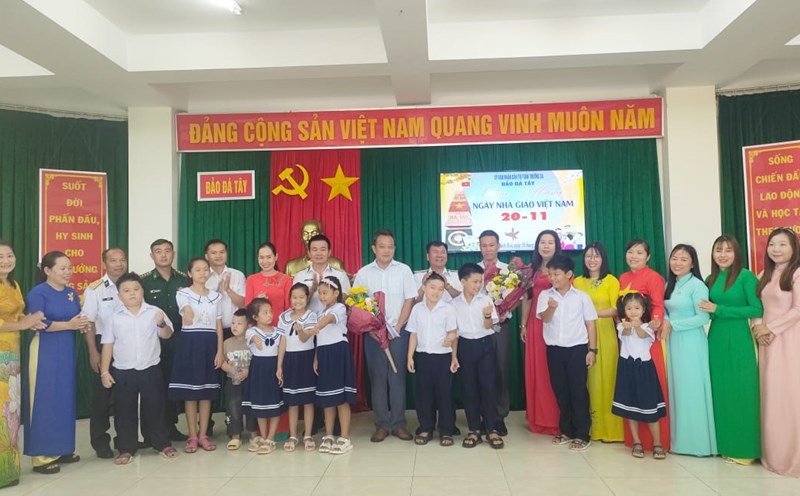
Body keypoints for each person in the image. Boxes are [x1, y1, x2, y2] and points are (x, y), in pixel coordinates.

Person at [99, 272, 178, 464]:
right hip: (123, 371)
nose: (132, 294)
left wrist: (160, 323)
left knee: (156, 408)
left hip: (150, 369)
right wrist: (104, 371)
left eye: (136, 289)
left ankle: (162, 443)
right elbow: (107, 345)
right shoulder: (114, 317)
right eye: (126, 291)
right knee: (124, 410)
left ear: (143, 291)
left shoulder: (154, 312)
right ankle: (126, 448)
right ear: (119, 296)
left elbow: (167, 334)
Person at [24, 251, 88, 474]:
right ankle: (41, 455)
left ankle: (62, 448)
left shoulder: (71, 293)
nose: (68, 272)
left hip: (67, 350)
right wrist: (69, 325)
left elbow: (77, 318)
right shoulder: (38, 293)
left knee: (64, 398)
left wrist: (82, 324)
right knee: (44, 399)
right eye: (62, 268)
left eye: (70, 268)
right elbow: (38, 323)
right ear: (47, 271)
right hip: (45, 352)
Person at [699, 235, 761, 464]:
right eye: (718, 250)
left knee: (743, 391)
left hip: (740, 337)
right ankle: (725, 445)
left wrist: (719, 309)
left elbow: (755, 308)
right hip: (716, 337)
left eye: (728, 250)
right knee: (721, 391)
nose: (722, 254)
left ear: (737, 253)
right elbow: (709, 310)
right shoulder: (710, 278)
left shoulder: (746, 277)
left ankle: (746, 449)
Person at [353, 229, 417, 442]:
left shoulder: (404, 270)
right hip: (373, 335)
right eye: (382, 246)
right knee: (378, 379)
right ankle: (381, 424)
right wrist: (371, 328)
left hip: (398, 333)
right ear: (374, 248)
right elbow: (356, 304)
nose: (386, 250)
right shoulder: (364, 273)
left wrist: (399, 326)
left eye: (390, 246)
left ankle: (398, 423)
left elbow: (410, 300)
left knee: (397, 377)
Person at [536, 254, 597, 451]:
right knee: (561, 391)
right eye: (550, 274)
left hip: (577, 349)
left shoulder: (581, 297)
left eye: (557, 274)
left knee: (578, 391)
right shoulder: (546, 296)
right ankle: (566, 431)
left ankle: (582, 434)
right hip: (554, 350)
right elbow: (544, 319)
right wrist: (551, 308)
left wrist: (592, 350)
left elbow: (590, 324)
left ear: (569, 274)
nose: (552, 278)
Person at [751, 228, 800, 477]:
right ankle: (772, 454)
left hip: (790, 341)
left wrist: (769, 328)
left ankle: (792, 457)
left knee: (789, 397)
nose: (776, 249)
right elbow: (758, 306)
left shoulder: (797, 274)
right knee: (770, 395)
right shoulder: (764, 274)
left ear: (794, 248)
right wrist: (757, 327)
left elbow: (797, 310)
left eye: (782, 245)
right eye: (772, 245)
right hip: (767, 342)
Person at [662, 244, 716, 457]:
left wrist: (673, 325)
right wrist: (667, 321)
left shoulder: (697, 286)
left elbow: (703, 318)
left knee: (691, 389)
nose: (677, 262)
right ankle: (679, 441)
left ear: (693, 263)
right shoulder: (670, 284)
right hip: (673, 341)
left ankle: (698, 444)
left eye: (684, 259)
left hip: (691, 342)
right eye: (675, 258)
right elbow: (665, 310)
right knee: (677, 389)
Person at [618, 239, 670, 452]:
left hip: (648, 340)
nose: (634, 256)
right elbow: (621, 308)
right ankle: (635, 441)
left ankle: (657, 442)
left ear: (648, 257)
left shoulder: (654, 277)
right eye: (630, 252)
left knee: (650, 392)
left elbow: (657, 305)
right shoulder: (623, 277)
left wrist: (653, 324)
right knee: (630, 392)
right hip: (627, 339)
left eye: (639, 252)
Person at [0, 240, 45, 487]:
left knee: (10, 414)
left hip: (11, 358)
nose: (6, 260)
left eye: (9, 255)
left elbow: (16, 315)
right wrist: (23, 324)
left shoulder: (13, 284)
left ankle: (9, 471)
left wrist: (31, 320)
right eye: (0, 257)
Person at [168, 257, 224, 453]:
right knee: (190, 393)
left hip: (210, 343)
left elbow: (218, 324)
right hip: (190, 343)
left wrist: (220, 350)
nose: (202, 273)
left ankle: (203, 435)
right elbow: (186, 310)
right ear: (190, 274)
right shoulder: (183, 293)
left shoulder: (216, 296)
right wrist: (189, 314)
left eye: (205, 269)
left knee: (206, 392)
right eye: (197, 270)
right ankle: (192, 435)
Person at [573, 241, 624, 442]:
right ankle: (591, 427)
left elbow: (616, 309)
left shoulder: (612, 281)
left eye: (596, 256)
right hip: (581, 335)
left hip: (606, 333)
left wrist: (591, 314)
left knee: (608, 377)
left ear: (603, 259)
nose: (592, 260)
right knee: (588, 381)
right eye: (588, 256)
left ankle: (611, 429)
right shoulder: (577, 282)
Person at [141, 239, 190, 441]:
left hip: (178, 339)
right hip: (153, 340)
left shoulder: (183, 280)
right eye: (158, 252)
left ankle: (170, 428)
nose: (163, 255)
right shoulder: (143, 282)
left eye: (167, 251)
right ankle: (150, 432)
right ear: (152, 256)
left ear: (174, 254)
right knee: (152, 387)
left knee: (173, 384)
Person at [82, 247, 127, 459]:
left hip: (127, 344)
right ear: (104, 264)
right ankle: (100, 442)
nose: (119, 264)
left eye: (122, 260)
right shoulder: (95, 289)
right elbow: (89, 322)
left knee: (124, 397)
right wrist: (93, 352)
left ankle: (125, 440)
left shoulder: (133, 285)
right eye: (113, 260)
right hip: (102, 344)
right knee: (102, 397)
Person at [407, 272, 459, 447]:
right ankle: (426, 427)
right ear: (424, 288)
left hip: (443, 358)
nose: (436, 292)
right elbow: (413, 334)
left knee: (445, 394)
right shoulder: (417, 309)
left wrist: (452, 352)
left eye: (440, 289)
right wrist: (410, 357)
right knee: (424, 394)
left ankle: (446, 429)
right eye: (432, 287)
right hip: (422, 357)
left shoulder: (448, 309)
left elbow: (453, 333)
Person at [612, 293, 667, 459]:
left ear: (643, 309)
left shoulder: (648, 327)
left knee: (650, 408)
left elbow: (643, 336)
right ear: (624, 310)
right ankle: (636, 442)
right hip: (626, 368)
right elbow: (625, 335)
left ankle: (657, 443)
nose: (633, 311)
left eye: (637, 308)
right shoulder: (622, 326)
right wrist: (629, 326)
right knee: (629, 408)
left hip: (644, 370)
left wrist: (638, 326)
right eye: (629, 308)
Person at [452, 263, 501, 449]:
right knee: (469, 388)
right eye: (474, 281)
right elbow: (454, 332)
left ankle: (491, 428)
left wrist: (487, 316)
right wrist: (454, 356)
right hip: (465, 346)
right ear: (462, 281)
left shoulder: (485, 300)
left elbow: (490, 327)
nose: (478, 285)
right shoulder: (454, 304)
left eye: (480, 281)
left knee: (488, 387)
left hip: (485, 345)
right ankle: (474, 430)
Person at [519, 230, 562, 436]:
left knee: (553, 371)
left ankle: (555, 419)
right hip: (536, 326)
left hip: (556, 324)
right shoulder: (530, 271)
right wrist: (524, 325)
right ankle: (539, 418)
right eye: (542, 242)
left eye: (550, 242)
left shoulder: (563, 268)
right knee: (538, 371)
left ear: (557, 245)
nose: (546, 246)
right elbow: (527, 298)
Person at [310, 276, 357, 454]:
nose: (322, 297)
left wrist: (316, 327)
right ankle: (328, 435)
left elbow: (329, 320)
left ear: (336, 293)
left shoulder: (340, 308)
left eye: (325, 293)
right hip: (323, 354)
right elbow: (319, 339)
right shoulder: (320, 312)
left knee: (341, 398)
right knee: (327, 398)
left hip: (338, 353)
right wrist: (316, 357)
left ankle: (344, 437)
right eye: (320, 293)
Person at [477, 230, 512, 436]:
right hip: (479, 328)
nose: (488, 249)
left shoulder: (508, 271)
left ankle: (499, 417)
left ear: (498, 246)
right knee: (482, 373)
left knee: (500, 371)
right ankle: (483, 416)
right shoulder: (473, 271)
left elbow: (516, 298)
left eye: (491, 245)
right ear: (479, 247)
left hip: (501, 327)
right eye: (484, 245)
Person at [276, 283, 318, 452]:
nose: (298, 300)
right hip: (289, 361)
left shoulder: (311, 316)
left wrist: (300, 330)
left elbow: (304, 338)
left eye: (301, 297)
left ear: (307, 299)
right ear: (290, 299)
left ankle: (307, 435)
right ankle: (293, 435)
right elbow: (282, 342)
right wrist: (279, 366)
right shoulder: (283, 317)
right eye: (294, 297)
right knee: (292, 402)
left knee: (308, 401)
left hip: (306, 359)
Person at [243, 298, 285, 455]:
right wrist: (255, 339)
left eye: (270, 311)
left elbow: (281, 348)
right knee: (260, 405)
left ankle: (270, 438)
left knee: (274, 404)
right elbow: (251, 338)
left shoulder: (278, 331)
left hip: (273, 368)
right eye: (265, 312)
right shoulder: (251, 331)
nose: (269, 315)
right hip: (258, 370)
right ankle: (262, 434)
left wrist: (279, 367)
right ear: (255, 317)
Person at [220, 309, 253, 451]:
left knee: (252, 406)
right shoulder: (227, 342)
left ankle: (254, 433)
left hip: (250, 381)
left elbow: (259, 360)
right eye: (233, 323)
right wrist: (228, 368)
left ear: (249, 326)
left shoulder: (251, 341)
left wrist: (248, 371)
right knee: (233, 406)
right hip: (233, 381)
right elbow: (221, 361)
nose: (235, 326)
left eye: (239, 323)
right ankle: (235, 435)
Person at [293, 234, 350, 314]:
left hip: (333, 322)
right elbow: (296, 302)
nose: (319, 253)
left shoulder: (340, 275)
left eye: (323, 250)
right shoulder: (300, 276)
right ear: (309, 253)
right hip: (307, 322)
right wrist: (312, 290)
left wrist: (329, 292)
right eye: (315, 250)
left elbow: (346, 299)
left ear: (329, 252)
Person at [204, 239, 245, 340]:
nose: (218, 256)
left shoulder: (238, 275)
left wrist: (228, 290)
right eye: (214, 253)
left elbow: (243, 304)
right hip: (209, 330)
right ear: (206, 256)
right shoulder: (202, 277)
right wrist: (216, 292)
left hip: (233, 331)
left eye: (222, 252)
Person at [245, 242, 291, 325]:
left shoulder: (286, 279)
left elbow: (289, 308)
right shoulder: (251, 279)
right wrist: (257, 301)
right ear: (257, 258)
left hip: (280, 328)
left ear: (276, 257)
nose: (265, 261)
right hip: (258, 329)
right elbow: (248, 309)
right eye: (261, 257)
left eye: (269, 257)